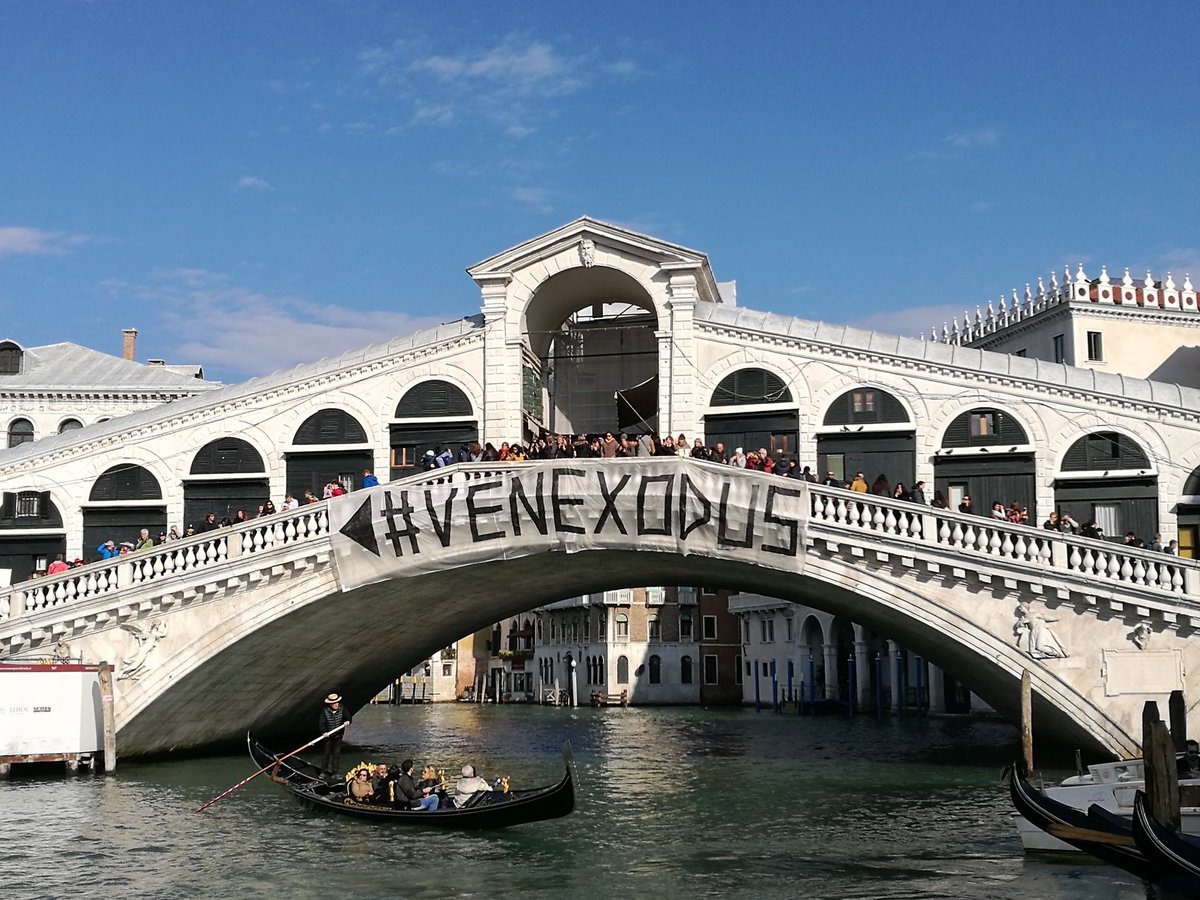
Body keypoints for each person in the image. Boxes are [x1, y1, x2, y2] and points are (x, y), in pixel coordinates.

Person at [317, 692, 351, 778]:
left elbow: (349, 717)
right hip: (328, 736)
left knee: (336, 755)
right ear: (330, 704)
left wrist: (348, 721)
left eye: (337, 702)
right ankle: (323, 772)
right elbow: (322, 723)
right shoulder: (325, 711)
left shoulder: (343, 709)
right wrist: (324, 732)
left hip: (338, 736)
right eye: (333, 703)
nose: (336, 704)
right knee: (326, 754)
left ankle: (335, 773)